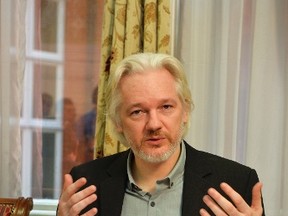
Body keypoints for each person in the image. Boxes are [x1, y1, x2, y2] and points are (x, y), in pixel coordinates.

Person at [57, 53, 264, 216]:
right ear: (118, 122)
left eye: (166, 107)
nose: (154, 124)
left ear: (185, 112)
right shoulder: (85, 185)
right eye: (137, 112)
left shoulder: (237, 184)